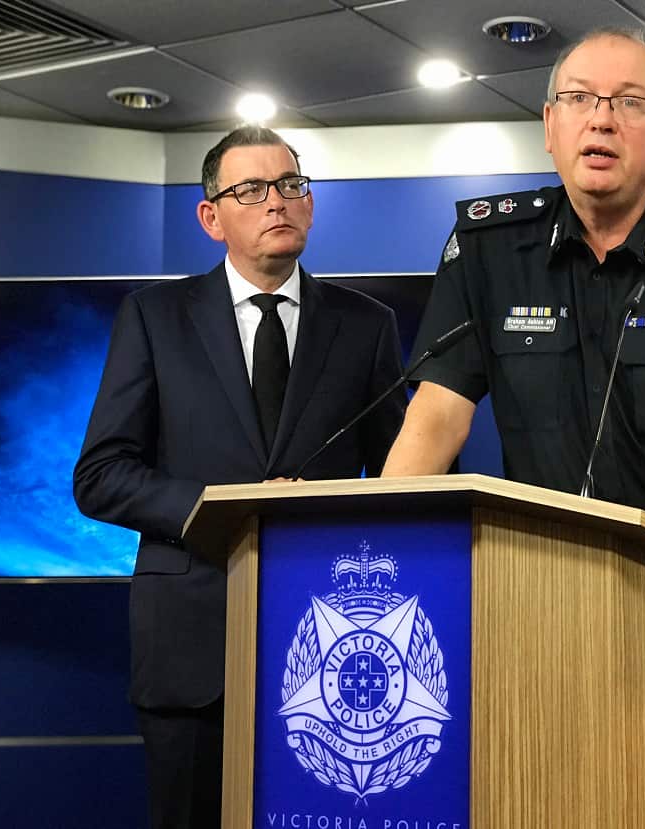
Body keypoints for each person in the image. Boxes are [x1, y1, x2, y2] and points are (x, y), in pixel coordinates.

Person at [381, 27, 645, 827]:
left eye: (630, 103)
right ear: (549, 125)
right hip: (543, 609)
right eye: (579, 99)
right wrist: (373, 552)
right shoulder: (487, 245)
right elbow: (435, 415)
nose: (600, 119)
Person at [73, 126, 406, 829]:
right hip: (191, 645)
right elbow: (101, 475)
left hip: (336, 653)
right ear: (211, 217)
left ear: (310, 203)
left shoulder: (366, 325)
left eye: (290, 185)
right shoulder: (154, 317)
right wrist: (227, 508)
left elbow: (404, 480)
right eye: (251, 189)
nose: (276, 201)